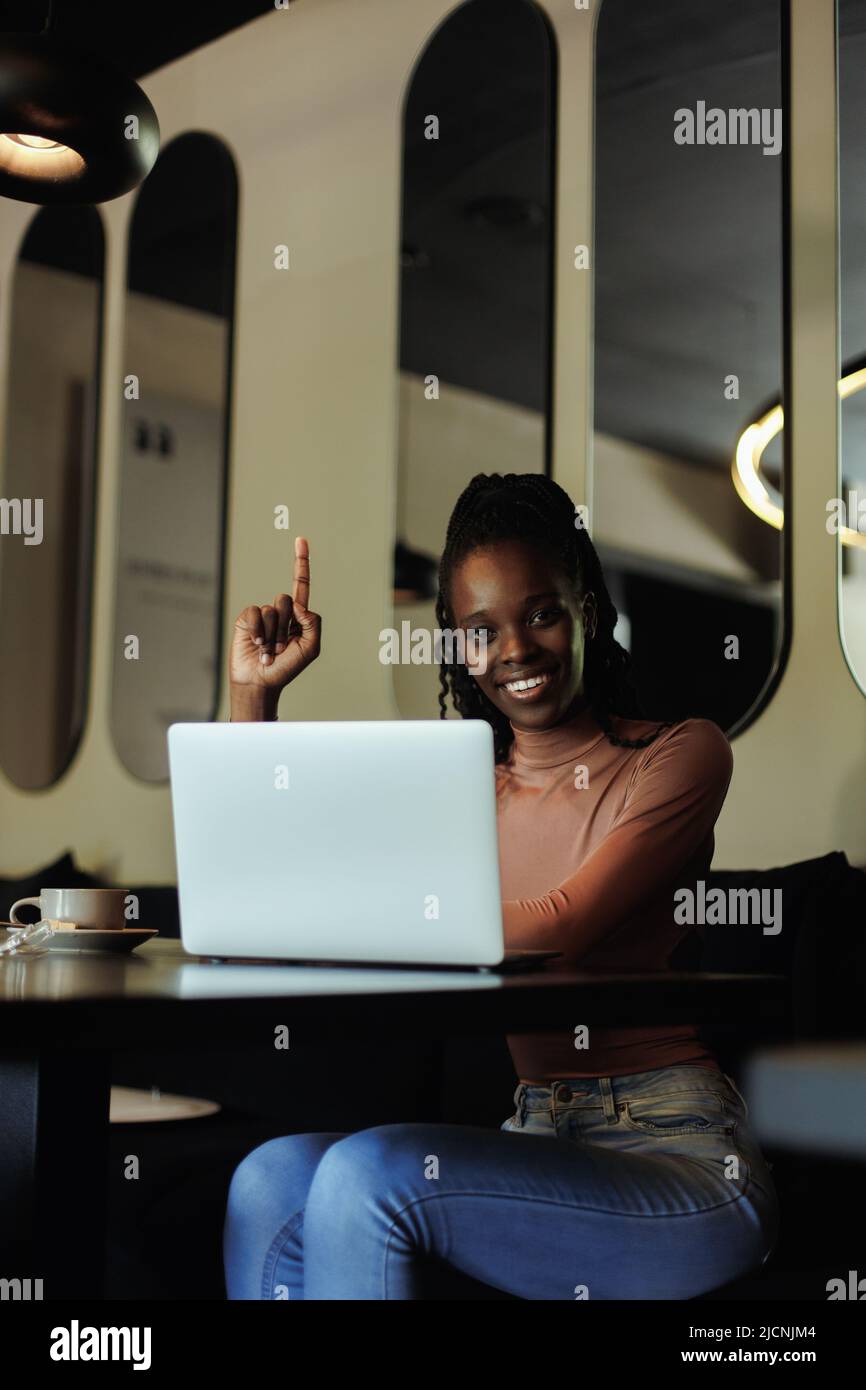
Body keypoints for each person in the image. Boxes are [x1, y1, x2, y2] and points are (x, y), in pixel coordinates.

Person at [222, 472, 779, 1300]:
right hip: (536, 1131)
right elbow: (261, 904)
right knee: (270, 1177)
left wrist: (348, 919)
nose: (513, 650)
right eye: (480, 630)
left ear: (587, 607)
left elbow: (562, 923)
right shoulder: (464, 790)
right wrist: (253, 695)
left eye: (542, 613)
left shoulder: (679, 756)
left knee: (369, 1173)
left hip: (678, 1146)